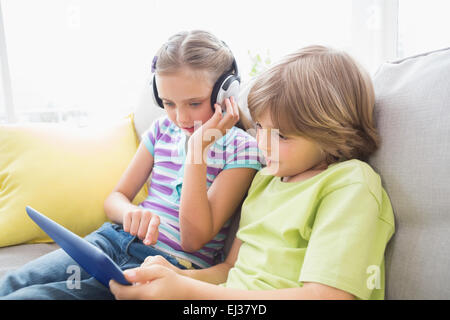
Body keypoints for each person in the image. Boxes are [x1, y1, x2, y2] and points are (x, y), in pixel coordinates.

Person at [109, 45, 396, 300]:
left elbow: (326, 296)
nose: (261, 143)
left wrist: (186, 290)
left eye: (281, 136)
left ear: (333, 134)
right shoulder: (266, 180)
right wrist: (175, 276)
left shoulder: (350, 184)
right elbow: (229, 269)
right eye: (259, 128)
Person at [0, 30, 262, 300]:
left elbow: (192, 240)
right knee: (15, 283)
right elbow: (115, 198)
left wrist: (197, 151)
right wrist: (129, 213)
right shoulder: (162, 130)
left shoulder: (242, 151)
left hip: (165, 267)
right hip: (110, 241)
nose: (180, 117)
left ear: (225, 93)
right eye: (168, 103)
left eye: (194, 103)